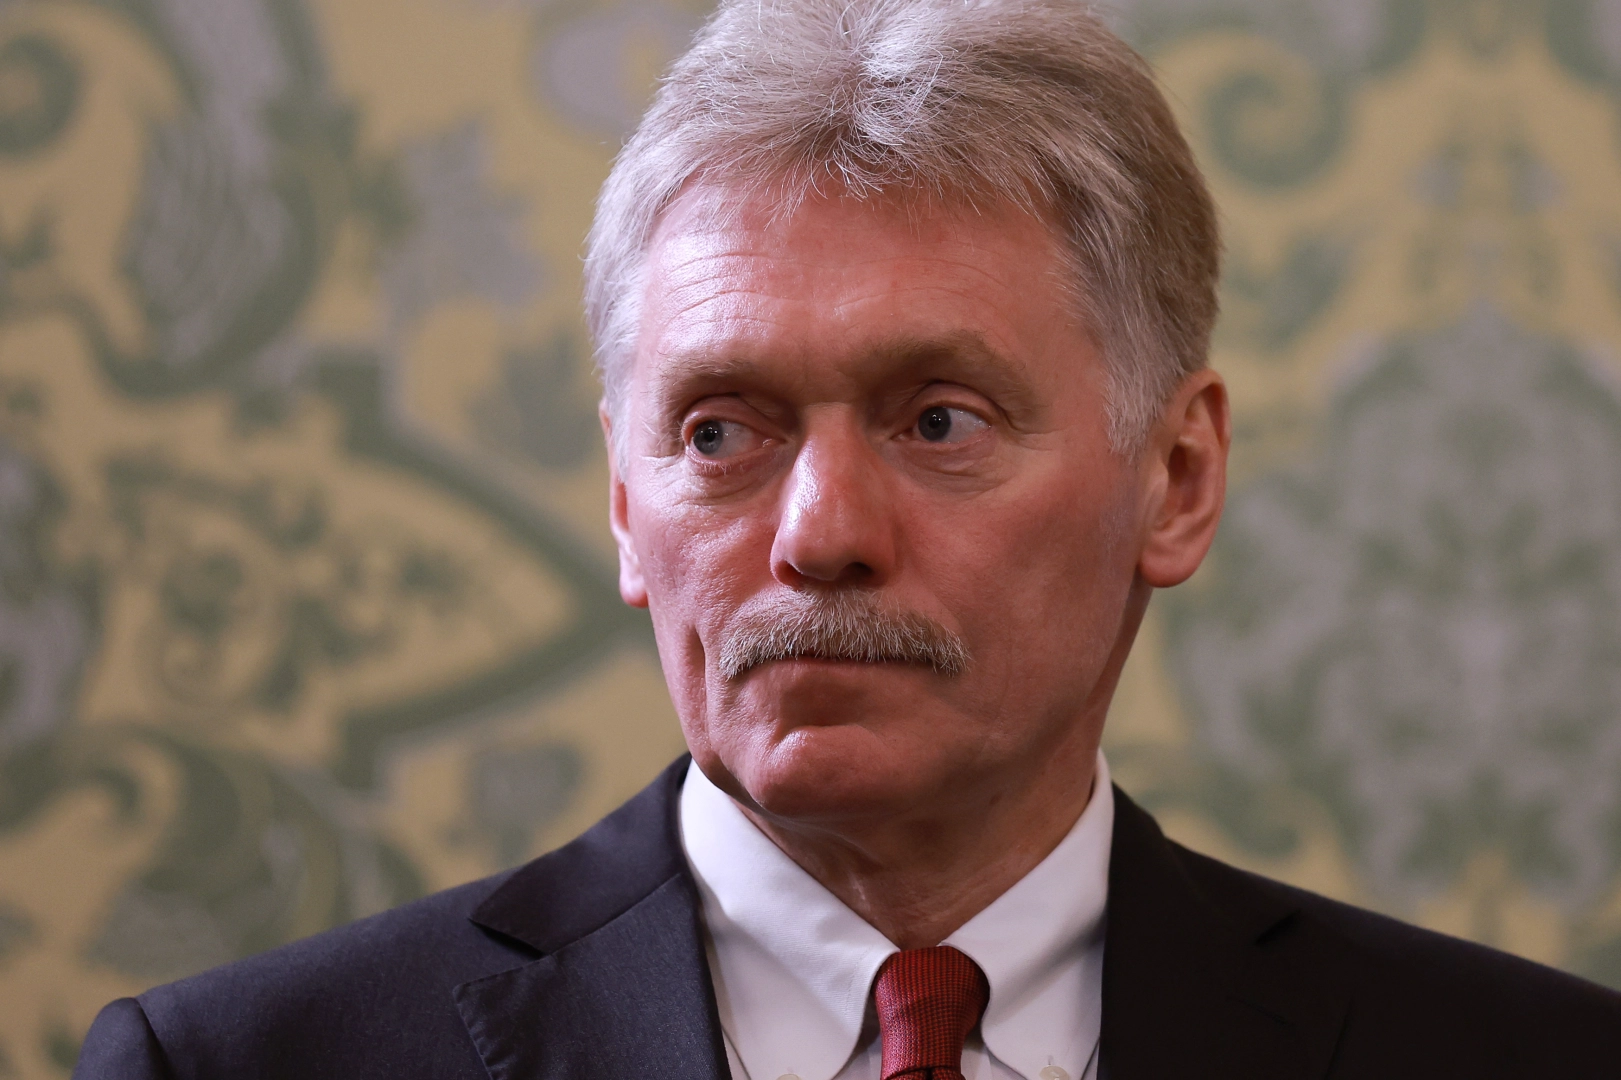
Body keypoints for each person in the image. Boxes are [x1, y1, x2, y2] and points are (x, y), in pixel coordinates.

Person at [75, 0, 1621, 1077]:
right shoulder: (231, 1068)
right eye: (719, 433)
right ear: (623, 504)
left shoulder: (1530, 1061)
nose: (820, 535)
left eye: (939, 419)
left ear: (1177, 478)